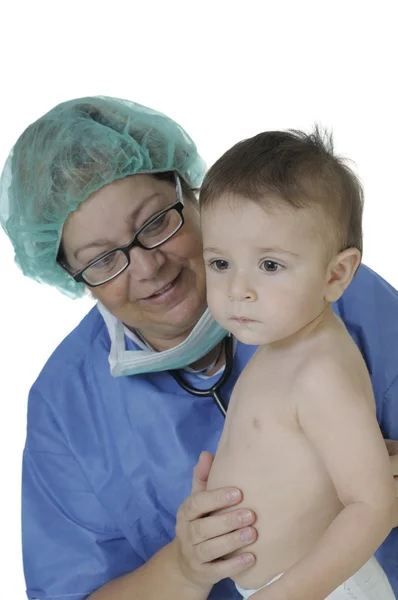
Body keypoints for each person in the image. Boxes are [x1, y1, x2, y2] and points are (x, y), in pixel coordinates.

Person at [0, 97, 397, 600]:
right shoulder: (67, 406)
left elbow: (371, 503)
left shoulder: (336, 298)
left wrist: (372, 496)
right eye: (101, 260)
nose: (147, 267)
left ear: (192, 195)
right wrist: (184, 570)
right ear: (75, 279)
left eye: (155, 223)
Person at [200, 128, 397, 600]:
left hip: (327, 588)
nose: (237, 289)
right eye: (220, 263)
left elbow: (373, 504)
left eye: (270, 265)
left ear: (335, 275)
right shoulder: (278, 347)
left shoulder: (319, 372)